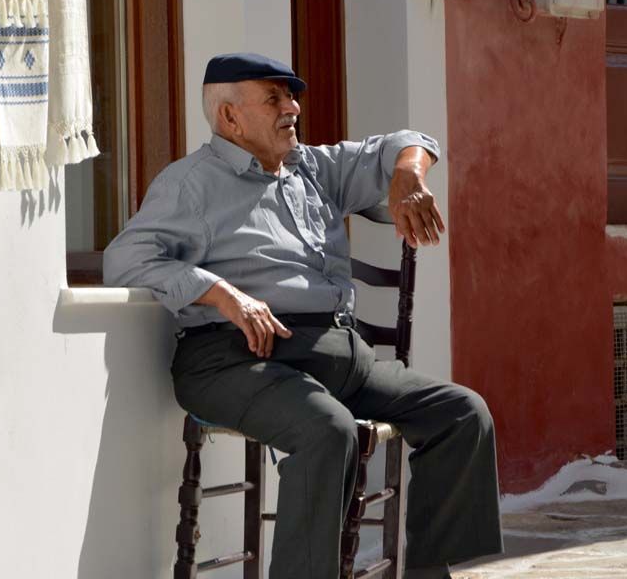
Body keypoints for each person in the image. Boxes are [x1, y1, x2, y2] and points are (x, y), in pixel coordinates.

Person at [104, 52, 502, 579]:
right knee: (327, 431)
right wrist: (221, 293)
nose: (292, 106)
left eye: (292, 95)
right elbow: (125, 259)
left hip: (339, 356)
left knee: (461, 413)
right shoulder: (189, 185)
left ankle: (427, 574)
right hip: (234, 360)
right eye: (273, 97)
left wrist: (407, 174)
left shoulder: (312, 167)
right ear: (230, 118)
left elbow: (405, 142)